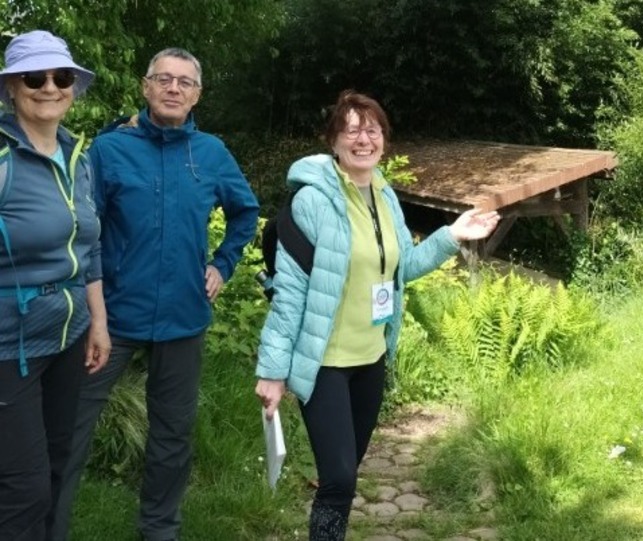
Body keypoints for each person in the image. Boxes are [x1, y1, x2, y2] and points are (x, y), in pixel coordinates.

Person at [255, 90, 501, 540]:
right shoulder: (310, 203)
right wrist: (272, 371)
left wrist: (452, 234)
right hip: (325, 362)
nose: (363, 139)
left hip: (371, 359)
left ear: (384, 139)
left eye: (372, 130)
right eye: (352, 130)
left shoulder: (385, 196)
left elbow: (402, 267)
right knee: (339, 480)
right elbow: (289, 294)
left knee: (347, 474)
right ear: (333, 141)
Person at [52, 48, 259, 541]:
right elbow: (84, 229)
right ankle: (46, 525)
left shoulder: (211, 152)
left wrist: (222, 265)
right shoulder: (108, 150)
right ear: (145, 88)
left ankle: (160, 529)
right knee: (70, 429)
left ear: (197, 95)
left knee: (171, 435)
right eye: (163, 79)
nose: (173, 88)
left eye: (184, 82)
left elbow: (246, 213)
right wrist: (92, 307)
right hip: (112, 318)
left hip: (183, 317)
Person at [0, 30, 110, 540]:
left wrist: (99, 323)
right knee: (23, 492)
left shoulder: (77, 160)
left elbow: (90, 250)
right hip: (7, 346)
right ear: (11, 89)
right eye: (34, 77)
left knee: (56, 468)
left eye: (61, 76)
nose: (49, 87)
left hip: (67, 339)